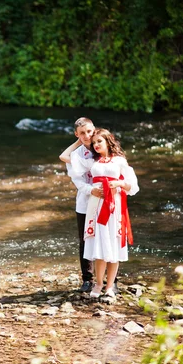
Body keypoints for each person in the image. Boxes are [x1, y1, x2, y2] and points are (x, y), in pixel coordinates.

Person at [67, 128, 139, 298]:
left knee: (113, 243)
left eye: (99, 141)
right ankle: (98, 284)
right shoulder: (92, 161)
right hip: (96, 205)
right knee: (98, 244)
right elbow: (66, 157)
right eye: (94, 143)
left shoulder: (120, 161)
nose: (96, 145)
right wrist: (79, 142)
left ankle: (109, 287)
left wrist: (119, 184)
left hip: (115, 205)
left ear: (108, 141)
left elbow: (133, 186)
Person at [58, 117, 104, 292]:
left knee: (106, 237)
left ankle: (110, 279)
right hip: (85, 202)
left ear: (95, 130)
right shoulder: (75, 156)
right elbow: (77, 181)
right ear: (77, 135)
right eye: (82, 133)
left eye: (89, 131)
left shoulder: (103, 148)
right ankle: (87, 279)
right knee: (85, 240)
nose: (87, 135)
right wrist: (90, 190)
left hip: (105, 201)